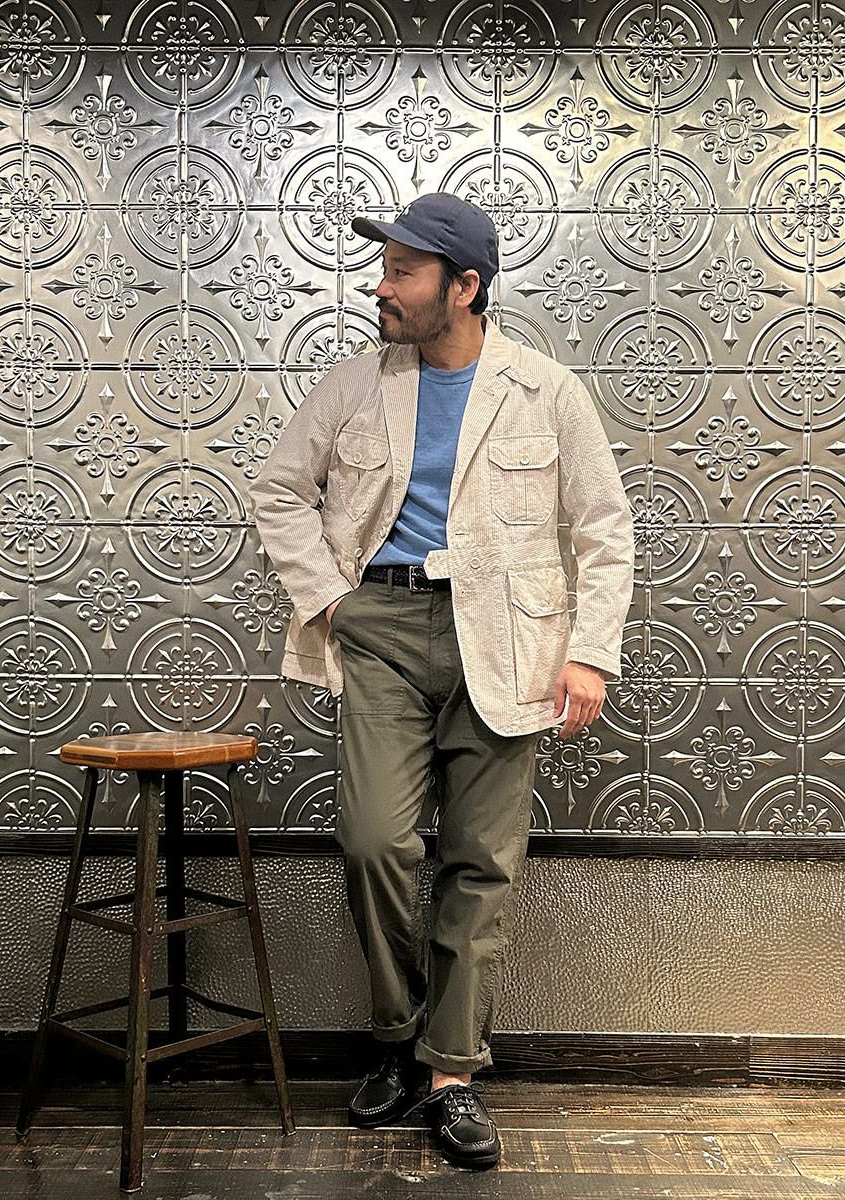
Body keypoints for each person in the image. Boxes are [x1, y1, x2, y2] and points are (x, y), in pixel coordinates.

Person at [249, 192, 635, 1170]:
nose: (380, 288)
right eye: (385, 269)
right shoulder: (354, 383)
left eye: (402, 272)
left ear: (463, 287)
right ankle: (396, 1037)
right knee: (375, 840)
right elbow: (279, 491)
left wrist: (590, 651)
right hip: (380, 626)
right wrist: (330, 602)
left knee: (479, 861)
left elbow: (604, 526)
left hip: (505, 639)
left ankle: (450, 1073)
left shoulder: (545, 390)